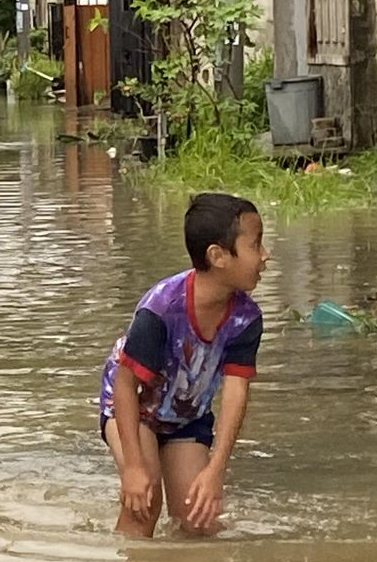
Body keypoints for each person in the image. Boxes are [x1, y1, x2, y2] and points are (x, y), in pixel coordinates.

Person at [98, 193, 268, 537]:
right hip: (134, 409)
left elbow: (236, 393)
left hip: (186, 416)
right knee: (144, 507)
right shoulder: (160, 310)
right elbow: (125, 385)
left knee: (199, 518)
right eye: (256, 245)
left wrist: (216, 469)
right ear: (218, 256)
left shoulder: (246, 319)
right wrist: (133, 467)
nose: (266, 256)